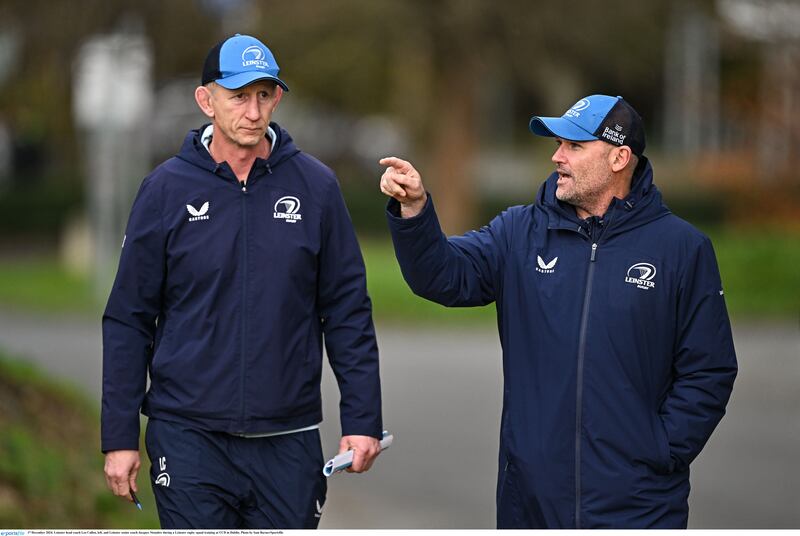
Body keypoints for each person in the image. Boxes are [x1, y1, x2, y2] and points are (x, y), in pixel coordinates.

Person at [379, 94, 737, 529]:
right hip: (531, 501)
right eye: (558, 144)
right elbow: (442, 276)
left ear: (619, 157)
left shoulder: (682, 249)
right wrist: (415, 211)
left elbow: (709, 370)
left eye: (574, 146)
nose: (556, 156)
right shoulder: (518, 232)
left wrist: (662, 450)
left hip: (640, 504)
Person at [102, 34, 383, 529]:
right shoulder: (165, 190)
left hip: (287, 437)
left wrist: (363, 421)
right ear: (205, 100)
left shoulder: (316, 187)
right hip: (188, 436)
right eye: (238, 96)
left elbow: (346, 311)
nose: (253, 111)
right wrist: (120, 436)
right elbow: (129, 318)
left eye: (264, 95)